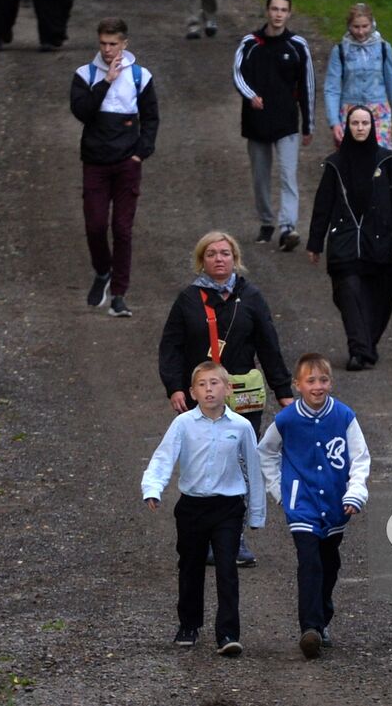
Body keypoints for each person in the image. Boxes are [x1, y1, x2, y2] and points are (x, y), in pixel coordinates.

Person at [158, 230, 295, 567]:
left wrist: (284, 393)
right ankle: (199, 536)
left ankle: (234, 538)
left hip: (243, 399)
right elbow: (171, 347)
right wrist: (175, 386)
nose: (219, 259)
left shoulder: (251, 297)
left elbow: (269, 345)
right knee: (202, 461)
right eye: (211, 254)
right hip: (200, 396)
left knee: (239, 463)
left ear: (235, 258)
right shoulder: (188, 299)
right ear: (201, 260)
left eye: (225, 253)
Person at [142, 361, 265, 657]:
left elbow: (254, 468)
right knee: (190, 566)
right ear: (193, 393)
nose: (209, 390)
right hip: (192, 507)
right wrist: (153, 488)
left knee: (227, 568)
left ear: (228, 389)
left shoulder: (241, 426)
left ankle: (227, 633)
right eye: (202, 385)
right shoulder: (183, 425)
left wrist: (257, 513)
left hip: (228, 507)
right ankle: (189, 624)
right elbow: (164, 458)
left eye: (214, 383)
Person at [258, 353, 370, 659]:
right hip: (302, 505)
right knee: (310, 562)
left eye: (323, 380)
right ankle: (309, 629)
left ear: (331, 383)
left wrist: (355, 493)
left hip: (336, 505)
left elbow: (360, 459)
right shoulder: (287, 419)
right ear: (297, 385)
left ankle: (322, 618)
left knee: (329, 563)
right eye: (311, 381)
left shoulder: (344, 416)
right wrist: (279, 490)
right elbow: (265, 452)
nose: (317, 387)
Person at [69, 18, 159, 318]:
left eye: (113, 44)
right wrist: (106, 81)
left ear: (124, 44)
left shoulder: (140, 76)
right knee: (95, 225)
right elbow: (82, 112)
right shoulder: (85, 75)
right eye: (103, 44)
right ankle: (102, 270)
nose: (107, 50)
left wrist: (140, 153)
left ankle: (119, 294)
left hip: (126, 164)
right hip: (94, 162)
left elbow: (151, 117)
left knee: (122, 229)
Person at [307, 106, 392, 371]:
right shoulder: (335, 164)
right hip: (345, 246)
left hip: (381, 246)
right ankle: (359, 350)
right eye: (355, 123)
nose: (360, 128)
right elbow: (323, 204)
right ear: (347, 127)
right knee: (349, 295)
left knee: (381, 299)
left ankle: (366, 346)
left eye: (365, 123)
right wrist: (315, 243)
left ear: (372, 126)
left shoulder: (386, 161)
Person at [233, 0, 313, 250]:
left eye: (283, 10)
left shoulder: (297, 46)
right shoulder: (250, 43)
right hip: (256, 121)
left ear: (289, 13)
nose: (278, 14)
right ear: (267, 11)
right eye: (274, 9)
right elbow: (238, 74)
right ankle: (267, 222)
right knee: (260, 176)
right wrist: (250, 96)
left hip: (287, 121)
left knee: (288, 175)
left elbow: (307, 86)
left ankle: (288, 227)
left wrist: (308, 124)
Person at [324, 2, 392, 149]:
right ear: (349, 26)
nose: (361, 32)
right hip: (350, 113)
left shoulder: (383, 48)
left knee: (378, 164)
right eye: (356, 27)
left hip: (378, 113)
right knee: (352, 164)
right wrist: (334, 122)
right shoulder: (340, 51)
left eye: (365, 26)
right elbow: (332, 89)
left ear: (372, 24)